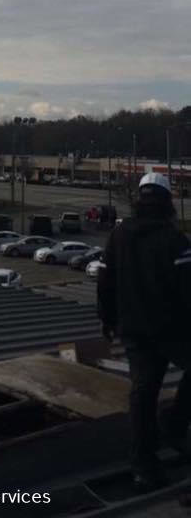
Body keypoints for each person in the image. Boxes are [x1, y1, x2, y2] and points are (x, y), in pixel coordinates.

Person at [98, 172, 191, 492]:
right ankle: (175, 423)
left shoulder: (119, 235)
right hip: (171, 330)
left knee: (143, 392)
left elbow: (105, 280)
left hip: (133, 329)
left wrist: (107, 320)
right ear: (167, 202)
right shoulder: (175, 240)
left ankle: (143, 466)